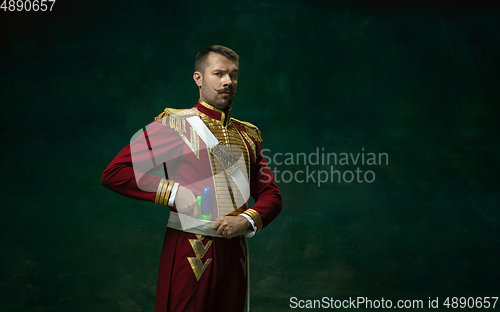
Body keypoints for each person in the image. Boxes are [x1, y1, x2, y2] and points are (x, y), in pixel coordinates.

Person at [101, 45, 282, 312]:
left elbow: (271, 195)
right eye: (218, 73)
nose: (227, 82)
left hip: (235, 254)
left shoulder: (247, 136)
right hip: (191, 251)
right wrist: (174, 192)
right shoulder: (174, 126)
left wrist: (245, 220)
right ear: (198, 78)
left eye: (233, 75)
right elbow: (115, 173)